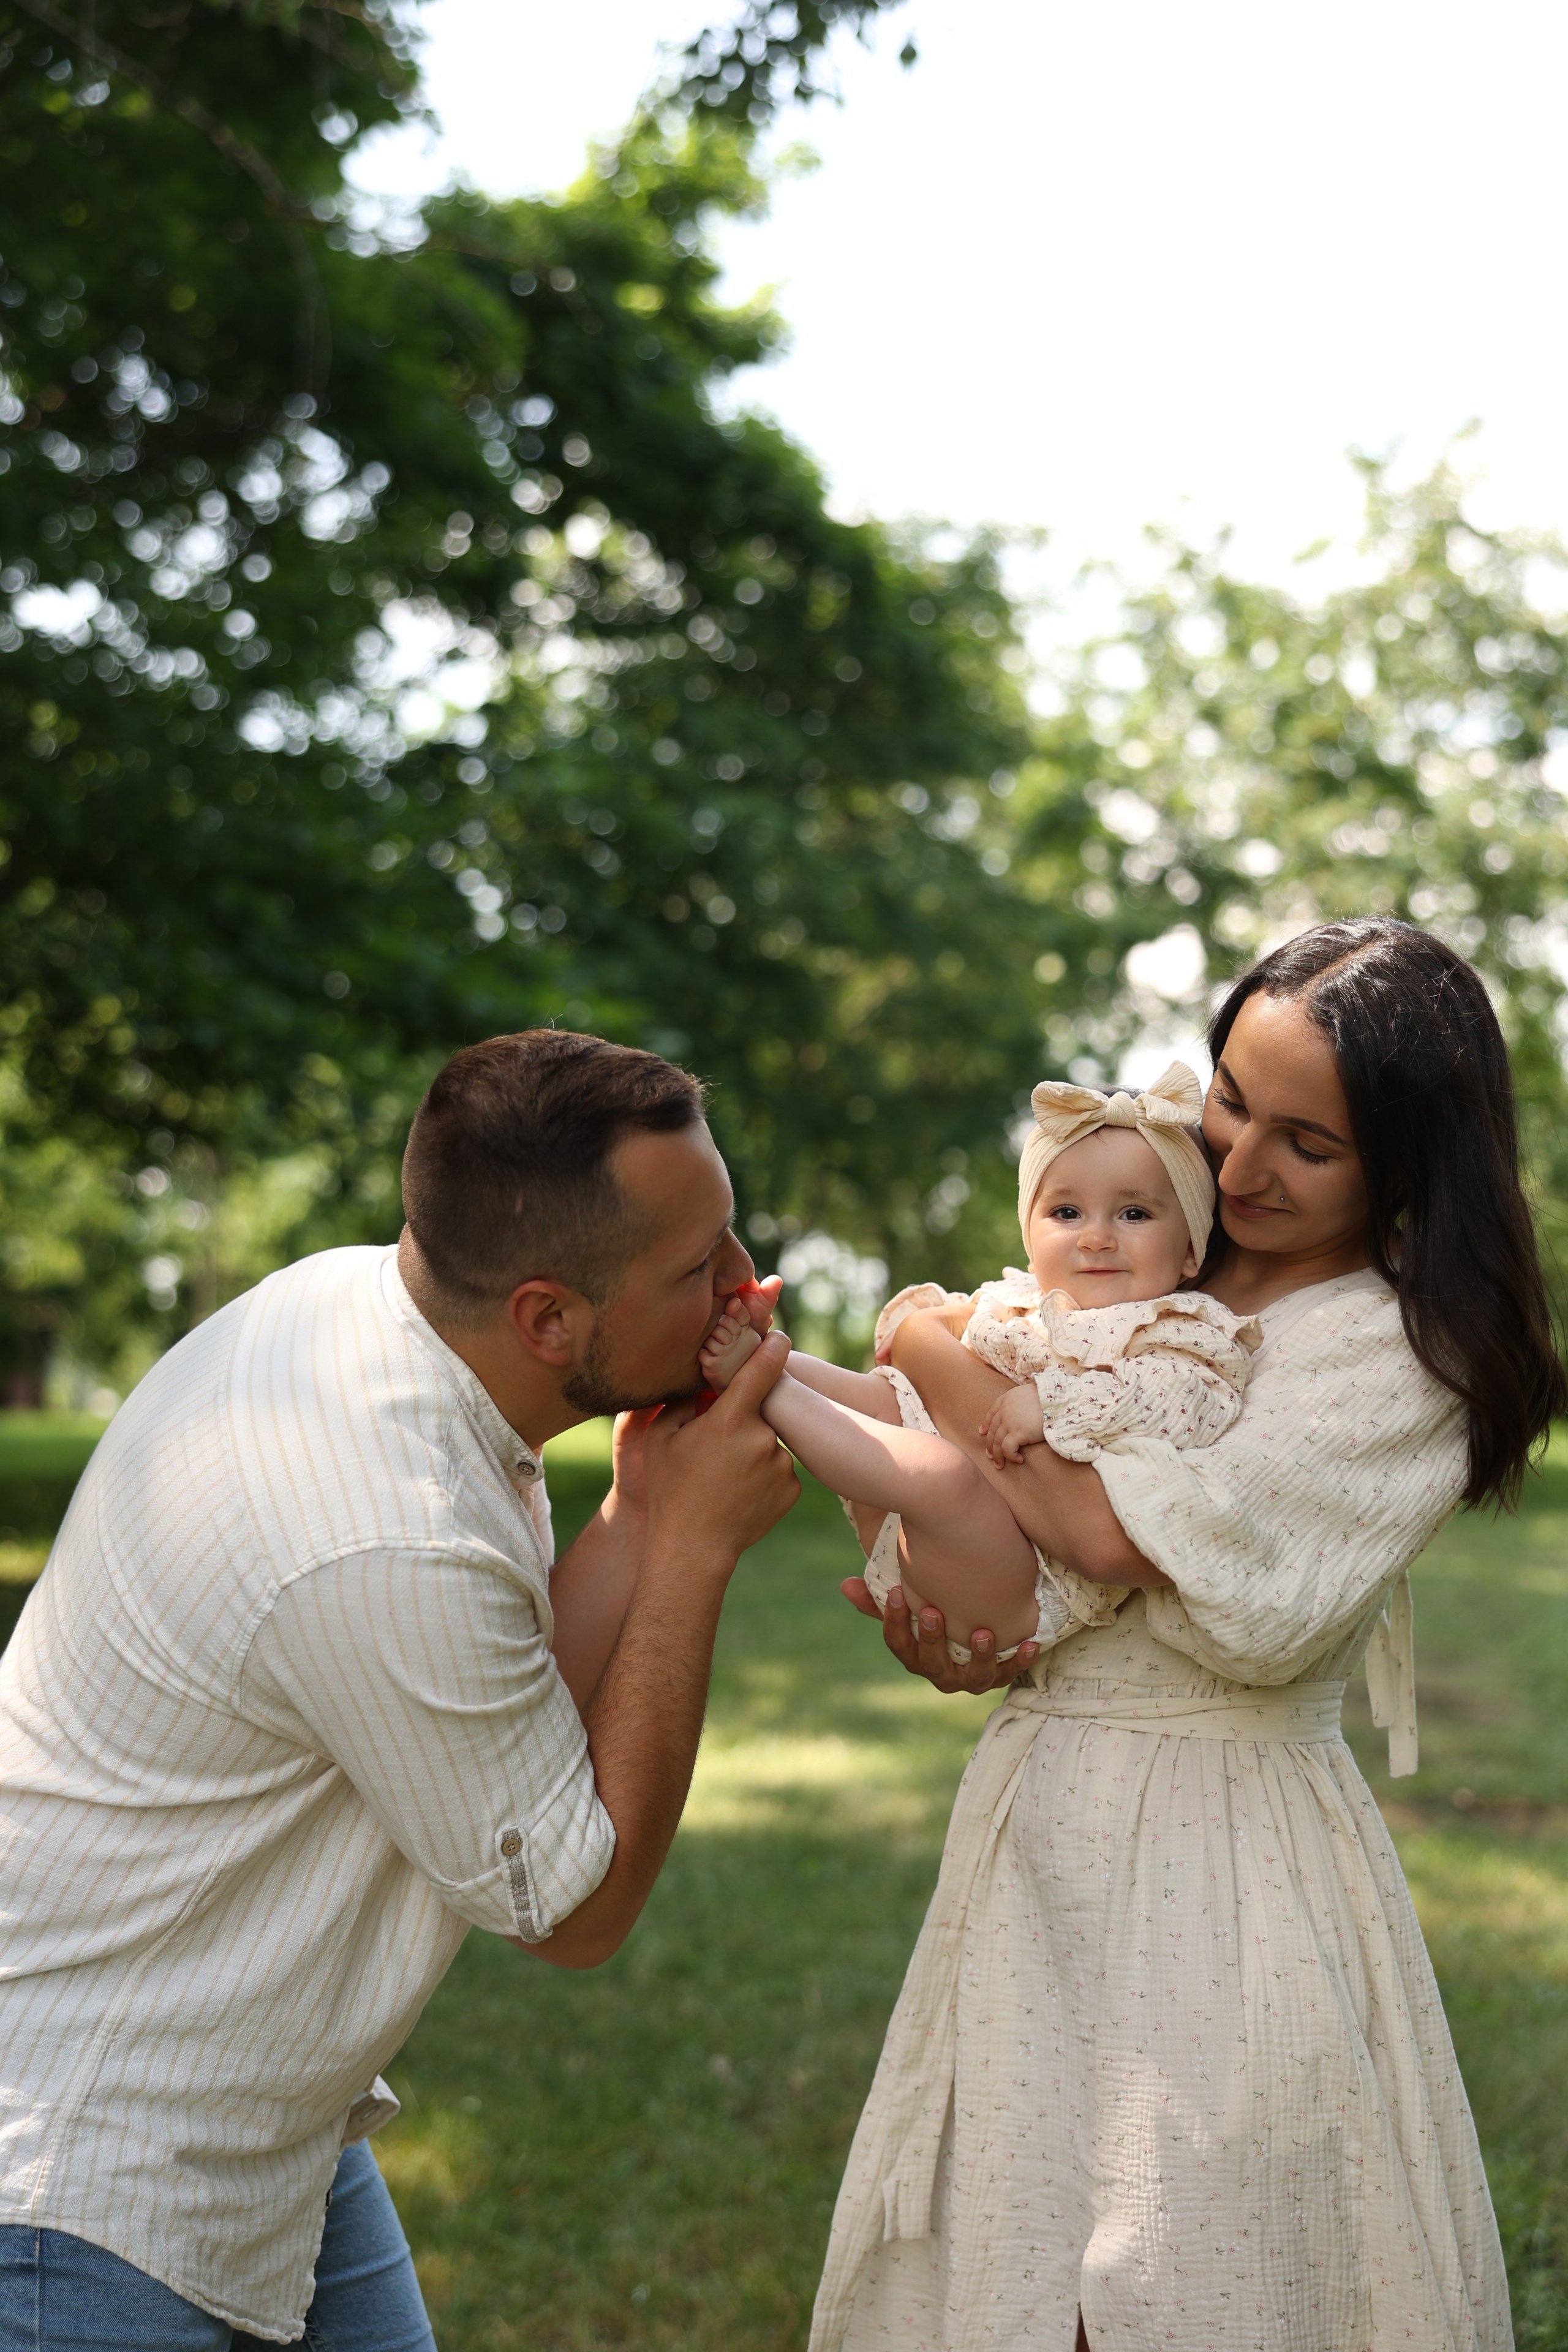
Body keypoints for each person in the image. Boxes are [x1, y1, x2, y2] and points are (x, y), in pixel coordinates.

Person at [812, 918, 1564, 2352]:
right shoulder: (1145, 1260)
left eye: (1304, 1142)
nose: (1234, 1164)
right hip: (1042, 1829)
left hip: (1225, 1858)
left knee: (1196, 2258)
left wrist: (924, 1345)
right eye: (1227, 1098)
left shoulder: (1400, 1354)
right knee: (1013, 2237)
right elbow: (1006, 1530)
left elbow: (1110, 1534)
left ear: (1405, 1163)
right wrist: (956, 1627)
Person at [0, 1031, 798, 2351]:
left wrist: (646, 1505)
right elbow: (573, 1912)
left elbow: (506, 1698)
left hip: (265, 2126)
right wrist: (696, 1555)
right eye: (694, 1266)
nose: (740, 1285)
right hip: (81, 2181)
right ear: (547, 1316)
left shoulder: (378, 1320)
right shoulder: (387, 1524)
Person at [698, 1061, 1259, 1655]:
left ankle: (765, 1386)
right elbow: (916, 1346)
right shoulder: (1016, 1304)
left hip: (1020, 1585)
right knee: (885, 1396)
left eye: (1134, 1214)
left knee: (939, 1475)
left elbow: (1180, 1408)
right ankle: (763, 1358)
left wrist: (1051, 1403)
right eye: (1066, 1213)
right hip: (927, 1518)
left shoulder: (1179, 1333)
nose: (1096, 1237)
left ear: (1192, 1250)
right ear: (1029, 1232)